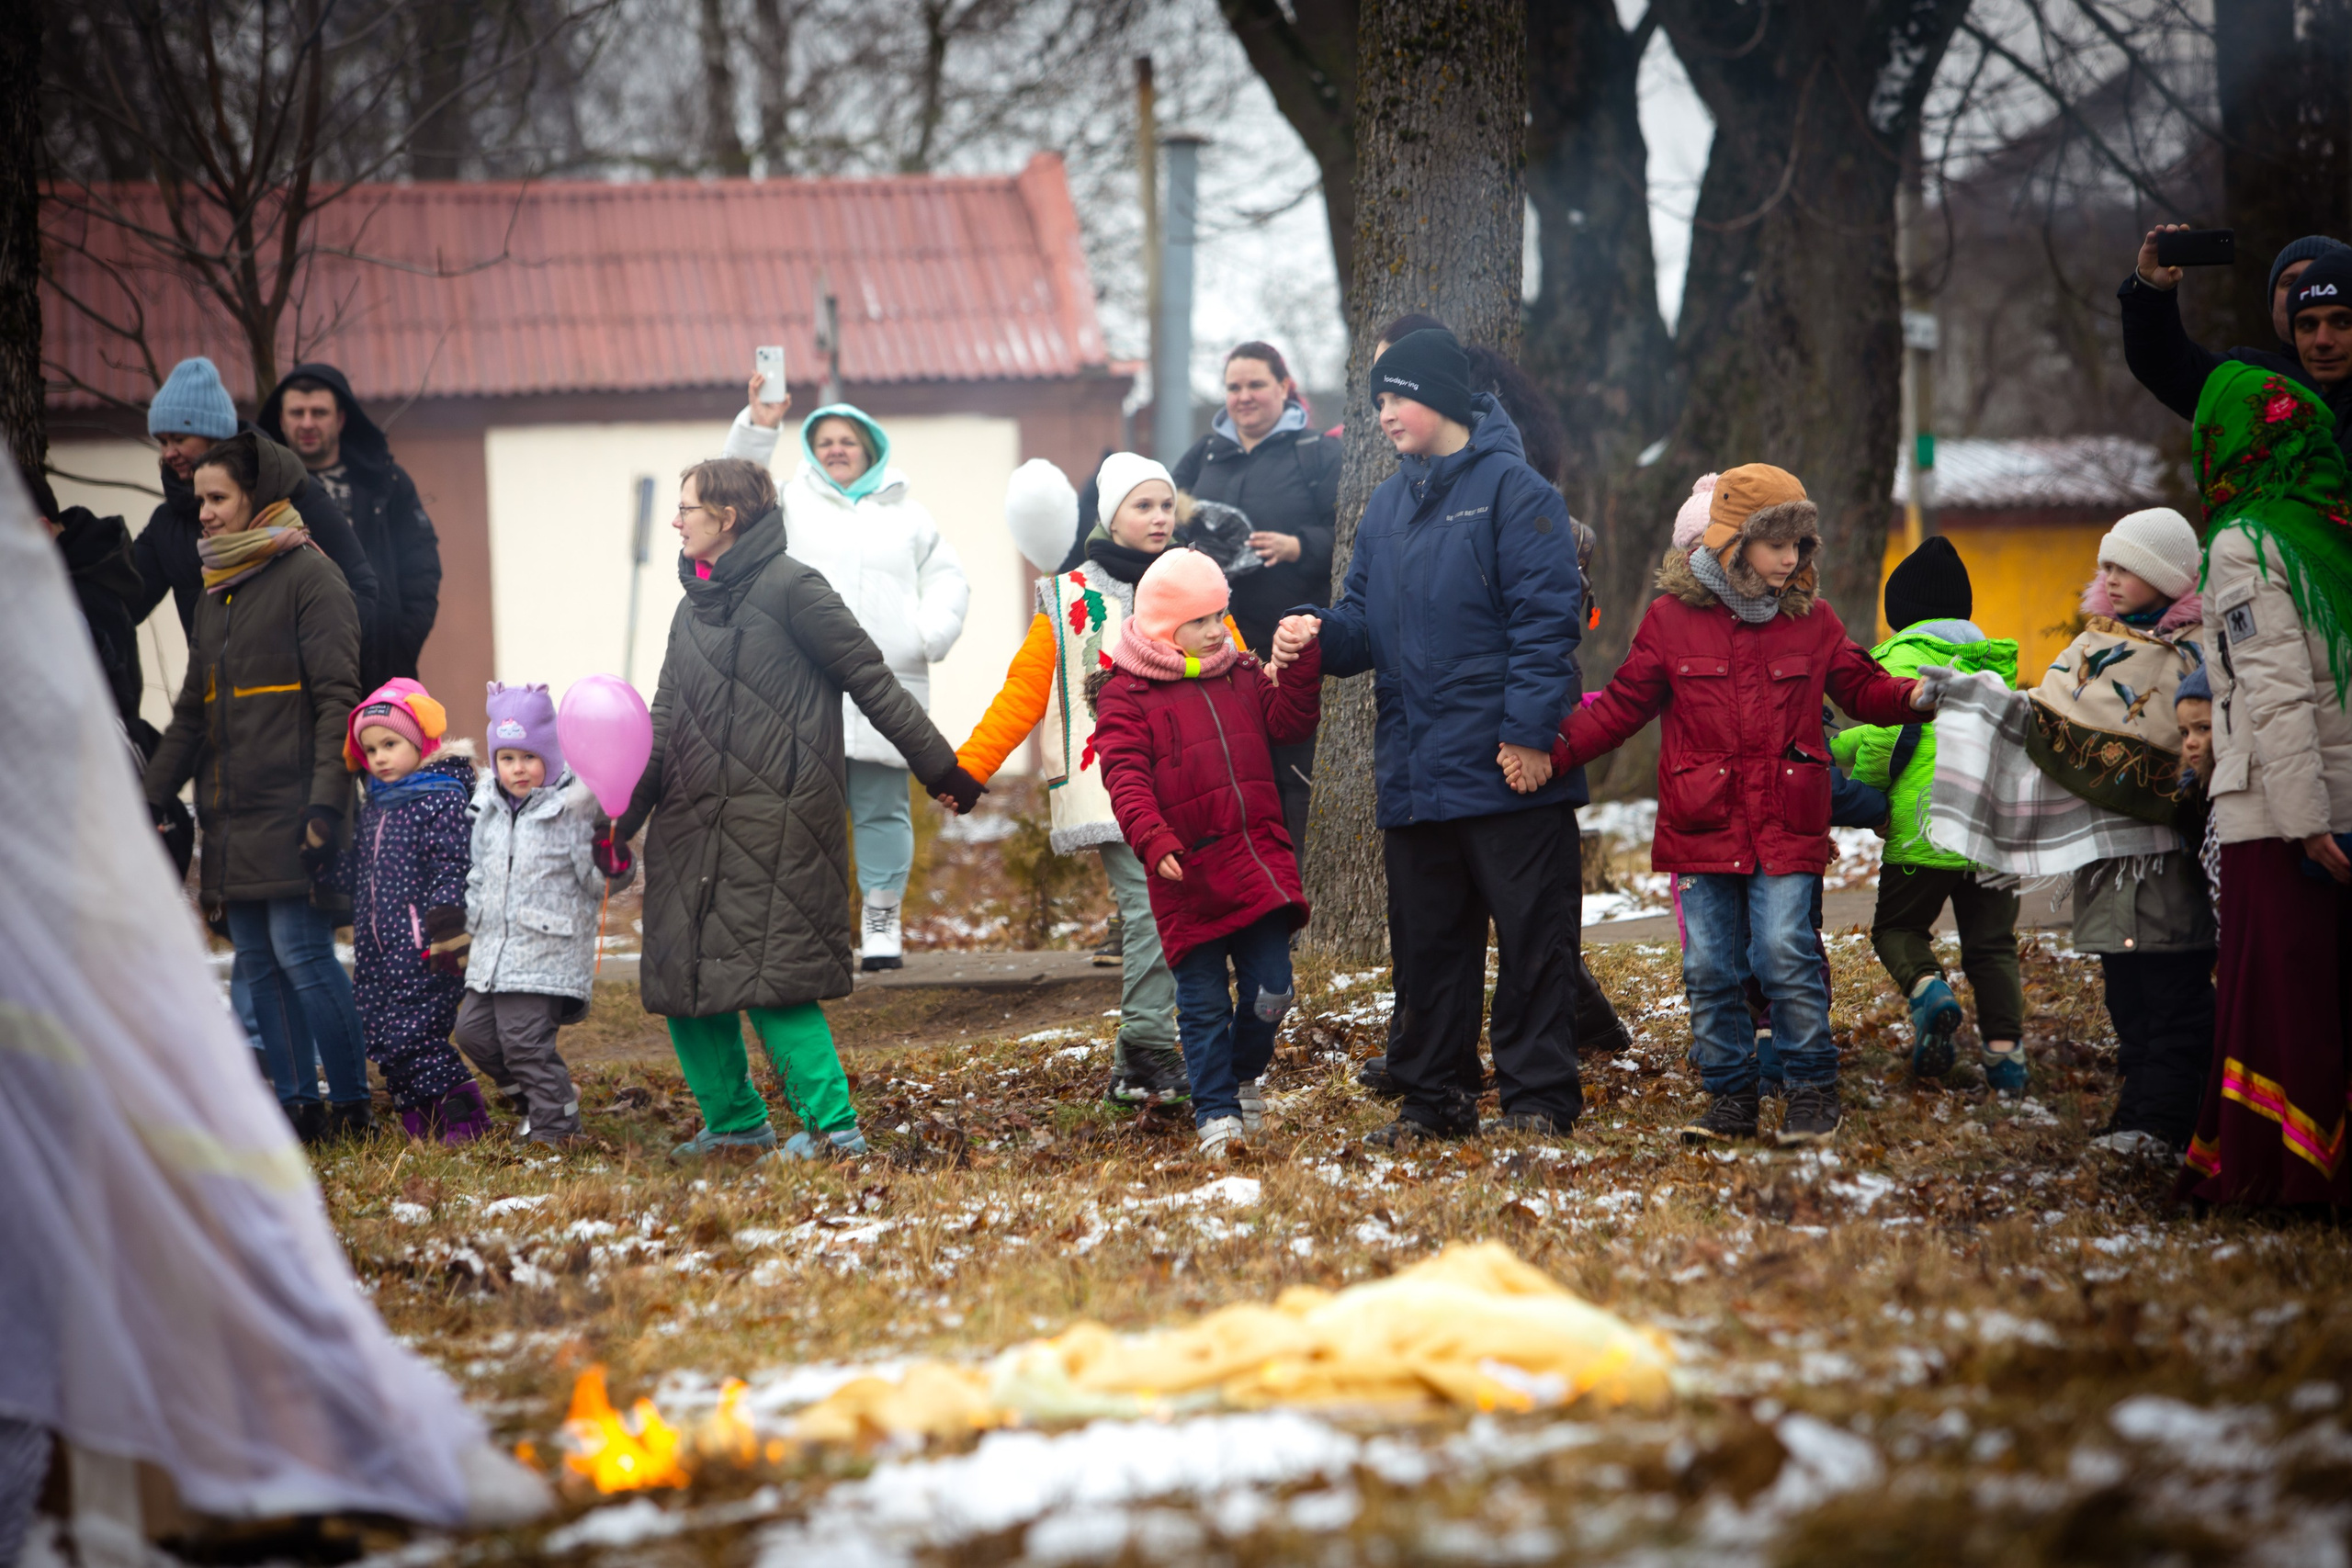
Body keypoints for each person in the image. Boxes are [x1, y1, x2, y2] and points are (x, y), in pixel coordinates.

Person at [1545, 464, 1933, 1146]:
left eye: (1800, 544)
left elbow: (1862, 686)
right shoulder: (1670, 620)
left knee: (1785, 948)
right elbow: (1621, 707)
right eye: (1776, 542)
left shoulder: (1813, 620)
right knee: (1709, 966)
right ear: (1729, 542)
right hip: (1703, 822)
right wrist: (1547, 752)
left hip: (1787, 819)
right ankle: (1731, 1097)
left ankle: (1813, 1089)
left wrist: (1913, 698)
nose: (1792, 557)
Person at [608, 458, 984, 1162]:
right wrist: (622, 821)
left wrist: (940, 767)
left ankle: (835, 1131)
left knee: (774, 984)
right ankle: (735, 1124)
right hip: (690, 823)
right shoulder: (689, 609)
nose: (676, 519)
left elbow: (871, 679)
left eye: (687, 507)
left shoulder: (795, 589)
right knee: (686, 983)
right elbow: (662, 721)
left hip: (775, 819)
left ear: (728, 517)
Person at [1271, 327, 1587, 1145]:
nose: (1383, 414)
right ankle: (1433, 1100)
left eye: (1396, 395)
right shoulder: (1384, 506)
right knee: (1429, 951)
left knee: (1531, 941)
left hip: (1508, 767)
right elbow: (1362, 626)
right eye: (1376, 400)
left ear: (1442, 397)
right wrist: (1315, 631)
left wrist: (1529, 736)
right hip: (1416, 770)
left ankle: (1537, 1101)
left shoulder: (1517, 493)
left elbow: (1548, 626)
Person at [958, 454, 1238, 1110]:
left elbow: (1238, 665)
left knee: (1184, 912)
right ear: (1110, 518)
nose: (1160, 517)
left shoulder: (1196, 584)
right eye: (1143, 506)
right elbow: (1024, 692)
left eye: (1167, 505)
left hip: (1189, 783)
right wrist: (970, 768)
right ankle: (1146, 1049)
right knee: (1149, 908)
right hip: (1112, 785)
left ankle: (1135, 1065)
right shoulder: (1069, 597)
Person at [141, 431, 371, 1143]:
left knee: (302, 955)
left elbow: (340, 699)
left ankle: (352, 1105)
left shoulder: (312, 576)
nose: (203, 512)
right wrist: (148, 798)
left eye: (217, 498)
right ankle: (298, 1108)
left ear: (258, 497)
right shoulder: (218, 592)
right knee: (260, 961)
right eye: (199, 499)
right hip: (232, 815)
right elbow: (190, 714)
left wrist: (327, 804)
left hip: (299, 806)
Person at [721, 378, 971, 971]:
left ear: (870, 448)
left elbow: (948, 579)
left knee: (883, 808)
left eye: (847, 441)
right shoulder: (787, 503)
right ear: (812, 450)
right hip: (803, 685)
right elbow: (733, 487)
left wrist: (927, 634)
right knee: (804, 811)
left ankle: (882, 922)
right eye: (825, 441)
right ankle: (813, 923)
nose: (836, 449)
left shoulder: (909, 516)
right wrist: (759, 423)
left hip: (886, 682)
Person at [2178, 363, 2352, 1206]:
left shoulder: (2245, 541)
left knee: (2278, 1000)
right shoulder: (2333, 528)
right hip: (2339, 795)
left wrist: (2304, 821)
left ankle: (2279, 1173)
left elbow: (2275, 693)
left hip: (2280, 815)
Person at [1091, 548, 1322, 1160]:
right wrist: (1151, 836)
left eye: (1221, 614)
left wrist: (1294, 668)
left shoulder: (1239, 671)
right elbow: (1124, 777)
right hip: (1186, 873)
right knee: (1201, 1005)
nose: (1218, 628)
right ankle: (1216, 1111)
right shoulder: (1126, 694)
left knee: (1273, 991)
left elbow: (1288, 721)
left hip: (1256, 862)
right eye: (1202, 619)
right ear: (1168, 624)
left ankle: (1243, 1074)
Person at [1831, 536, 2025, 1090]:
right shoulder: (1993, 665)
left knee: (1897, 927)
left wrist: (1867, 800)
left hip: (1925, 829)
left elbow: (1882, 741)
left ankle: (1928, 991)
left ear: (1899, 614)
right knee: (1991, 945)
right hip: (1990, 830)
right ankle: (2006, 1057)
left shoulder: (1896, 661)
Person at [1169, 342, 1340, 854]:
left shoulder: (1316, 453)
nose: (1243, 397)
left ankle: (1294, 896)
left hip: (1290, 651)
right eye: (1234, 387)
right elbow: (1161, 523)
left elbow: (1353, 535)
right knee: (1222, 778)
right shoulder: (1203, 456)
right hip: (1210, 658)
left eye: (1256, 385)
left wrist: (1299, 545)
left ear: (1284, 388)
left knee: (1292, 778)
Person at [457, 682, 619, 1148]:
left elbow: (597, 881)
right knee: (473, 1033)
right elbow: (479, 875)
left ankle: (557, 1132)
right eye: (507, 758)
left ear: (551, 756)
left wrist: (612, 858)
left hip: (547, 951)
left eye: (529, 757)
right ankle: (541, 1099)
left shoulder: (571, 809)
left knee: (524, 1042)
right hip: (494, 951)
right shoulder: (488, 807)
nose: (518, 768)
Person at [131, 355, 380, 648]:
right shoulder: (166, 524)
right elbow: (121, 604)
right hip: (217, 692)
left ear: (213, 436)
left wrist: (311, 658)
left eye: (179, 439)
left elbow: (360, 587)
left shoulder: (292, 494)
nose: (169, 452)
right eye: (162, 442)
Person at [332, 678, 487, 1141]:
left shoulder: (442, 797)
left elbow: (453, 863)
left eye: (390, 744)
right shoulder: (378, 805)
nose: (379, 757)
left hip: (427, 944)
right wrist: (322, 868)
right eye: (371, 749)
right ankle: (420, 1120)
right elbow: (362, 871)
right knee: (382, 1035)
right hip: (379, 949)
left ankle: (464, 1119)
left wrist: (446, 923)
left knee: (417, 1036)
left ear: (420, 742)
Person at [2079, 657, 2216, 1159]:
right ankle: (2137, 1117)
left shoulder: (2201, 794)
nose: (2192, 741)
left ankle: (2164, 1125)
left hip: (2175, 917)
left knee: (2174, 1017)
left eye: (2203, 729)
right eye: (2184, 732)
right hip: (2126, 907)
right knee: (2132, 1013)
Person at [260, 362, 443, 690]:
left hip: (383, 674)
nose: (307, 423)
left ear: (341, 418)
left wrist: (398, 646)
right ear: (280, 419)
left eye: (319, 412)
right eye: (297, 412)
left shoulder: (388, 484)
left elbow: (422, 570)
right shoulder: (262, 492)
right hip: (293, 682)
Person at [2120, 230, 2352, 424]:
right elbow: (2166, 367)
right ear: (2272, 303)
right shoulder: (2245, 376)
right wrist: (2151, 292)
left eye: (2341, 321)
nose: (2305, 293)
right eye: (2290, 282)